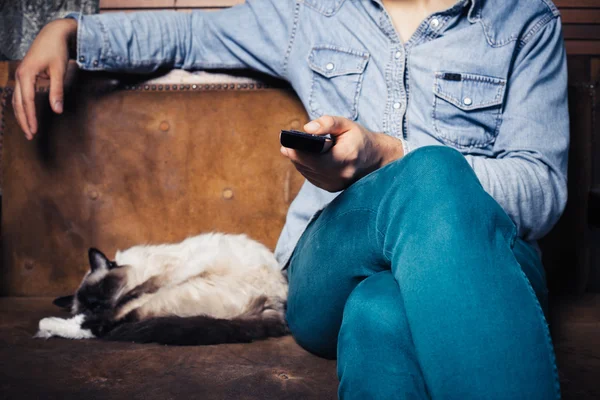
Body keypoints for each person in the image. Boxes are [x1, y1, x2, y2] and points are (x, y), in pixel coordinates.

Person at [13, 0, 568, 398]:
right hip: (332, 265)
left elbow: (541, 190)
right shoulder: (311, 12)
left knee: (381, 310)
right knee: (431, 172)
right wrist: (70, 32)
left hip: (485, 265)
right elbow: (189, 35)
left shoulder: (526, 20)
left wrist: (388, 154)